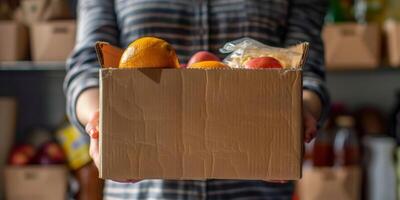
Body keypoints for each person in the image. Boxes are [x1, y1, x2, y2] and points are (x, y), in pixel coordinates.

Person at [64, 0, 330, 199]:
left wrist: (301, 111)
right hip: (146, 190)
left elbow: (308, 70)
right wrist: (100, 120)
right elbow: (86, 67)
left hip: (254, 189)